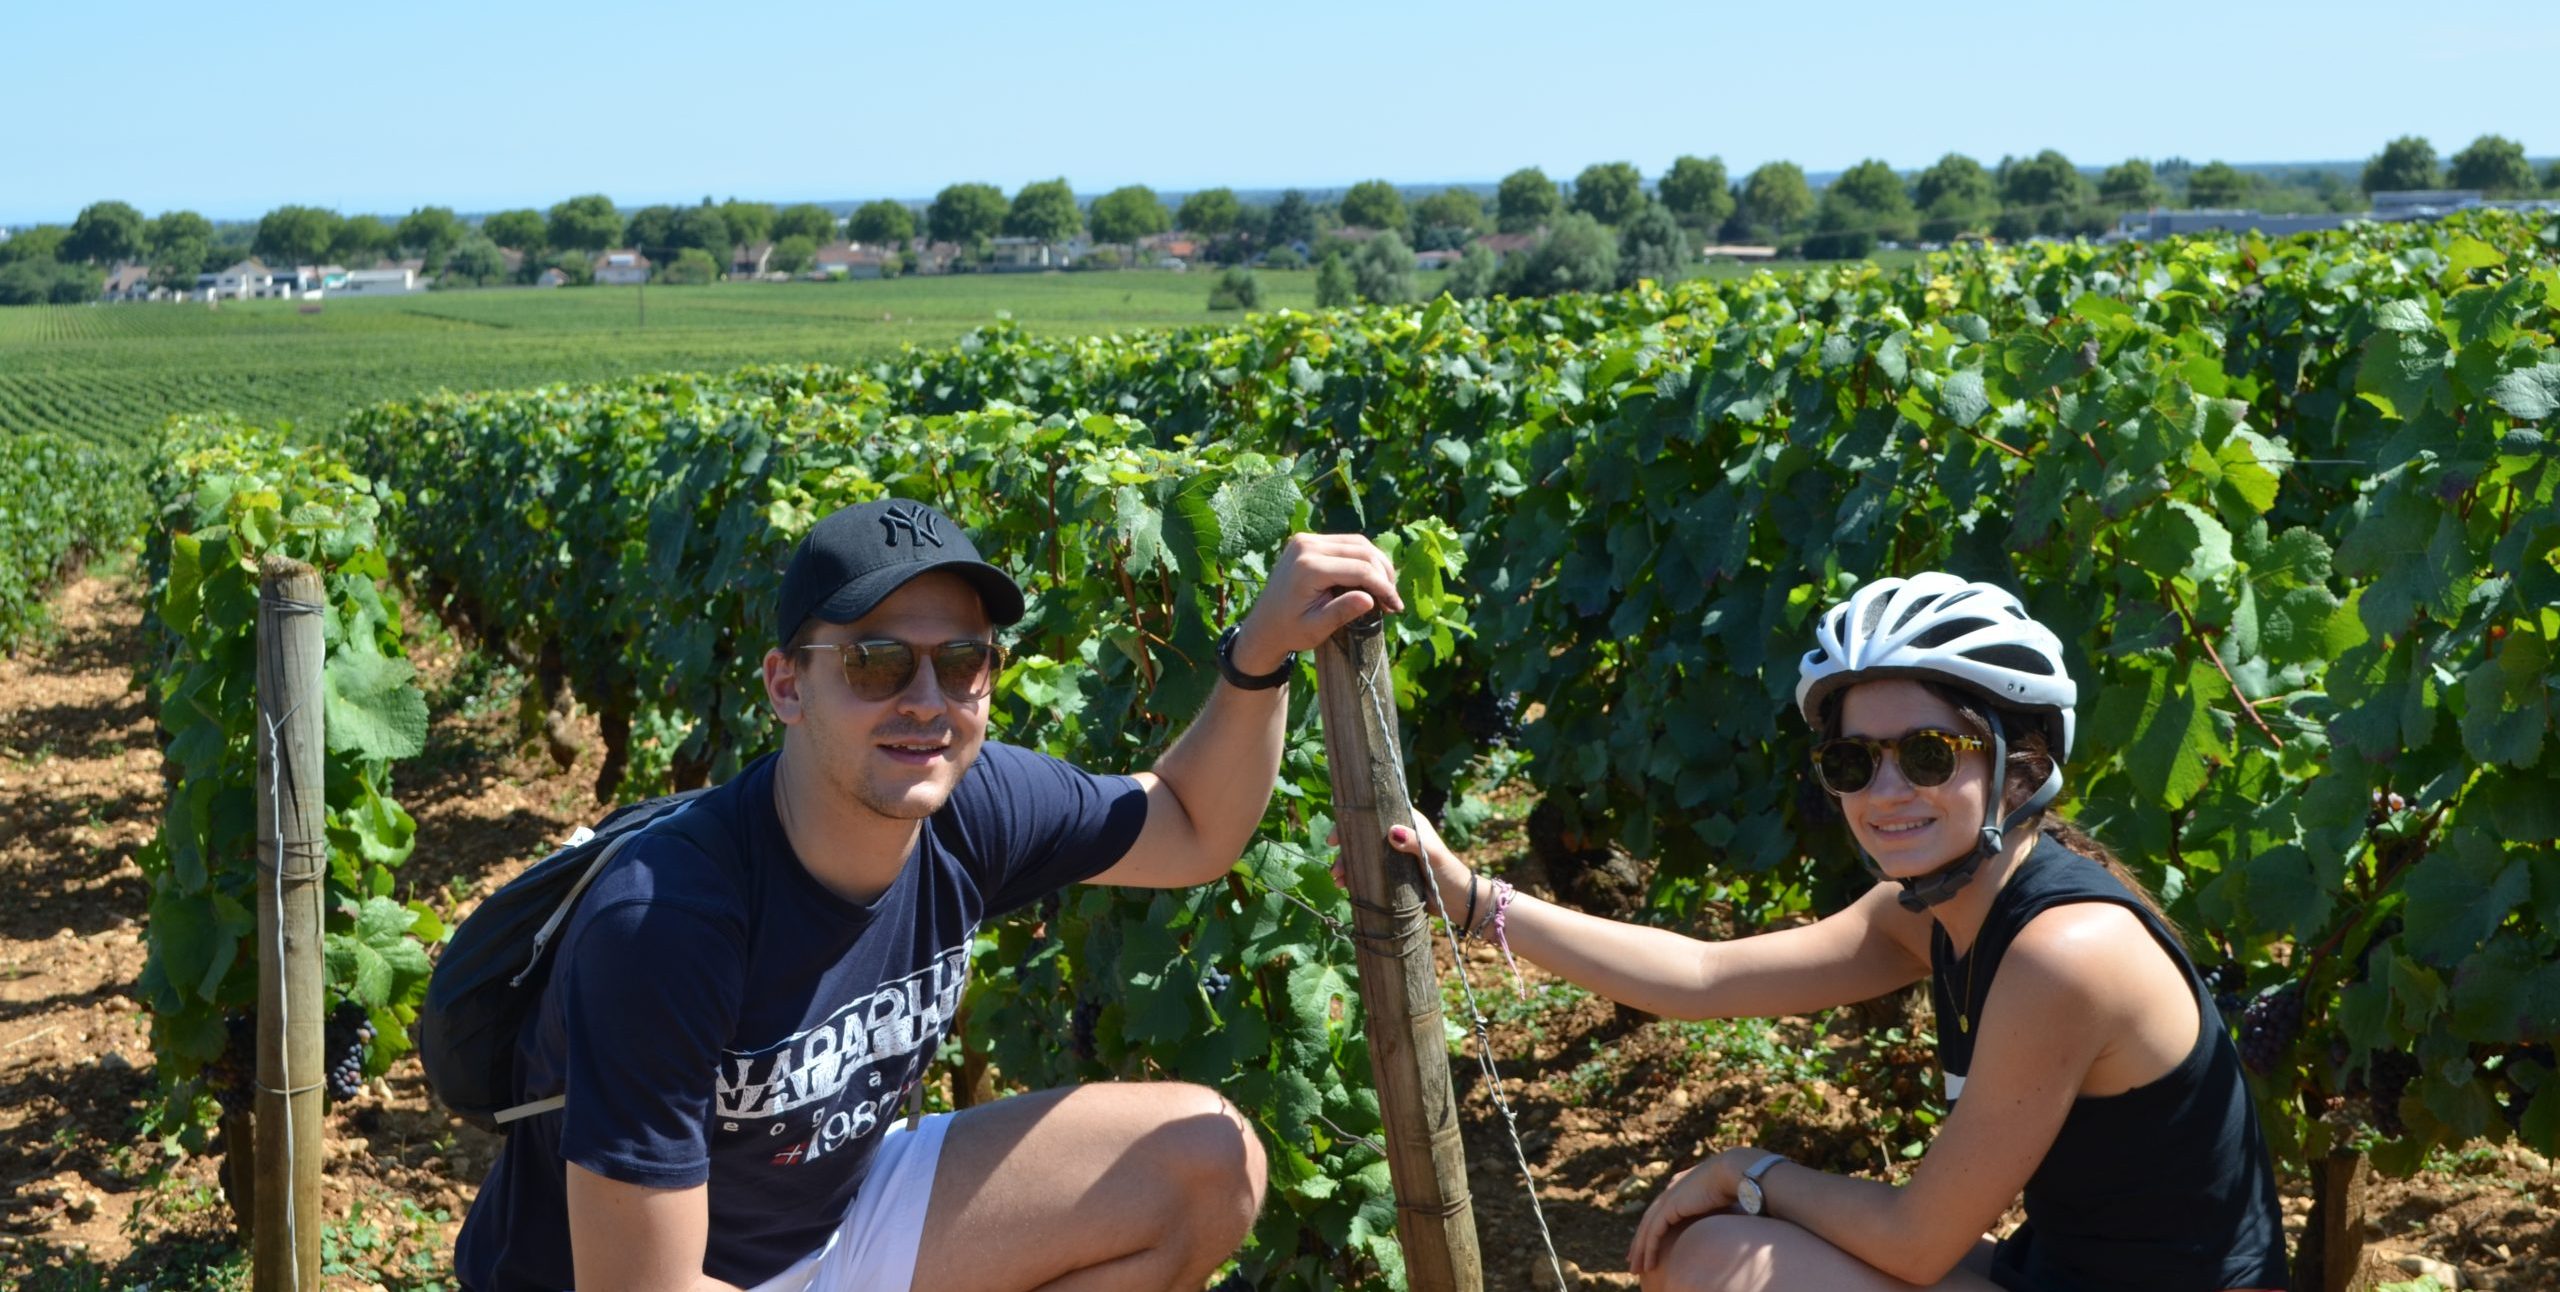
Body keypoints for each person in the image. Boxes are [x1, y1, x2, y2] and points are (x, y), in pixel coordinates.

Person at [454, 497, 1406, 1292]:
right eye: (874, 661)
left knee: (1207, 1166)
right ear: (787, 686)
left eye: (962, 663)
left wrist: (1259, 654)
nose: (925, 700)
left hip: (838, 1220)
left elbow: (1192, 826)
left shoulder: (973, 805)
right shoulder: (666, 921)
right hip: (654, 1276)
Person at [1385, 572, 2290, 1292]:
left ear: (2022, 762)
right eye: (1854, 761)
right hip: (2064, 1274)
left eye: (1928, 754)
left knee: (1718, 1262)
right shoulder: (1932, 917)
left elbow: (1918, 1243)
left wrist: (1749, 1169)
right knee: (1713, 1251)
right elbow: (1702, 976)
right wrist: (1469, 899)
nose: (1886, 792)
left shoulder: (2066, 952)